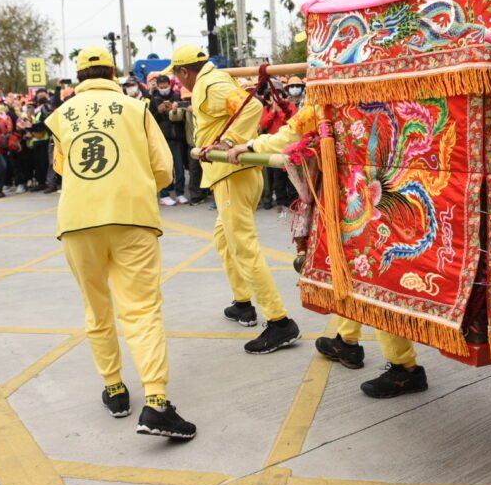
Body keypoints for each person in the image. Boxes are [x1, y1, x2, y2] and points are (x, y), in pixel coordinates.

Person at [47, 46, 196, 440]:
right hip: (131, 217)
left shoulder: (61, 115)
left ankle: (114, 389)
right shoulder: (136, 108)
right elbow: (164, 170)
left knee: (96, 307)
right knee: (142, 309)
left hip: (77, 221)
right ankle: (157, 403)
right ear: (113, 73)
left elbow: (61, 168)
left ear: (78, 76)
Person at [228, 105, 428, 397]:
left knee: (370, 274)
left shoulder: (330, 85)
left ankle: (405, 367)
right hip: (378, 185)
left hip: (358, 192)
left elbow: (294, 130)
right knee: (357, 269)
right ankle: (347, 341)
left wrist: (251, 144)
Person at [167, 46, 301, 354]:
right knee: (224, 240)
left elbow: (251, 107)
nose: (178, 83)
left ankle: (279, 321)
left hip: (233, 177)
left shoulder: (212, 85)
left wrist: (230, 141)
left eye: (176, 76)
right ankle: (243, 303)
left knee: (244, 247)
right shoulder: (211, 81)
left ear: (184, 72)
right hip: (228, 176)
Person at [149, 74, 188, 206]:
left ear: (169, 84)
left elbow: (185, 113)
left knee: (179, 167)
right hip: (163, 137)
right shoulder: (154, 99)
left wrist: (178, 108)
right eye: (161, 87)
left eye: (165, 86)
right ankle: (164, 194)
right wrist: (159, 112)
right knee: (165, 166)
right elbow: (151, 119)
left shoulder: (177, 96)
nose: (163, 88)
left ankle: (180, 193)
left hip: (177, 136)